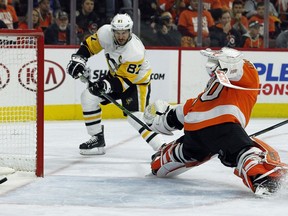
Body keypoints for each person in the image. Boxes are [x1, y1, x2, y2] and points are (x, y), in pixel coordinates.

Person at [143, 47, 288, 196]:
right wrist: (227, 62)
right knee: (245, 151)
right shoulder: (248, 75)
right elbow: (239, 67)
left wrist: (165, 119)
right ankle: (265, 178)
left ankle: (160, 161)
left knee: (186, 151)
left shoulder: (216, 83)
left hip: (194, 129)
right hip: (224, 126)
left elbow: (190, 108)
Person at [66, 13, 164, 155]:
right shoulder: (105, 33)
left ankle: (162, 147)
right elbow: (89, 46)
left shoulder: (135, 51)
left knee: (134, 116)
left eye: (124, 32)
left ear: (130, 31)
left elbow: (123, 82)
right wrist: (79, 60)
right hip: (116, 76)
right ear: (112, 31)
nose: (120, 36)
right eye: (117, 32)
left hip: (136, 83)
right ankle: (97, 139)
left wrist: (104, 85)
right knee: (88, 97)